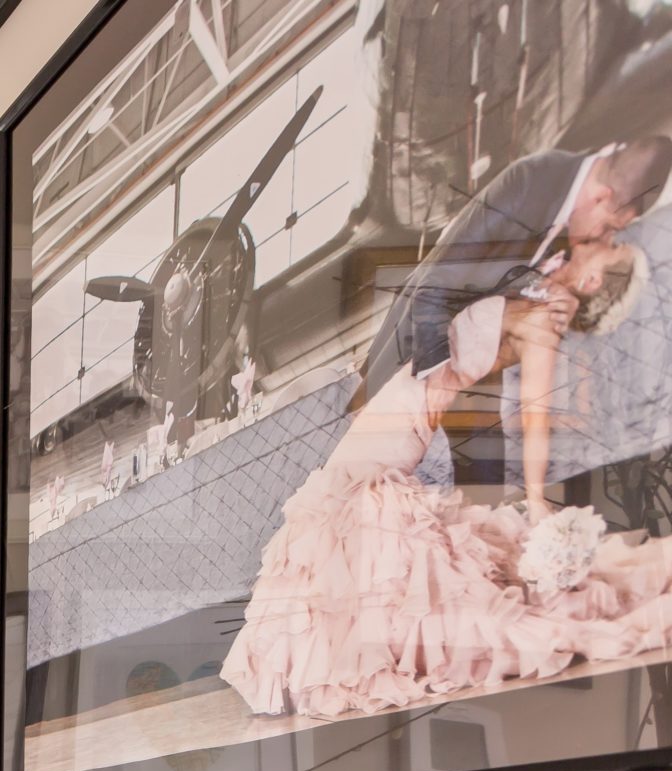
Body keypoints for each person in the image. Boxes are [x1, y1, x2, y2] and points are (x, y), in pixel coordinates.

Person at [223, 239, 672, 720]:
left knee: (349, 520)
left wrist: (539, 499)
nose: (595, 242)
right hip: (396, 405)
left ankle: (355, 652)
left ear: (592, 282)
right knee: (336, 517)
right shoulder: (537, 289)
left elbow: (535, 416)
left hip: (405, 417)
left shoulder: (545, 320)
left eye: (608, 249)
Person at [360, 138, 671, 426]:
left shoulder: (571, 229)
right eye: (608, 228)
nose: (602, 239)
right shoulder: (531, 181)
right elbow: (440, 280)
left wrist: (557, 298)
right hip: (410, 354)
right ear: (602, 197)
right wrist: (434, 377)